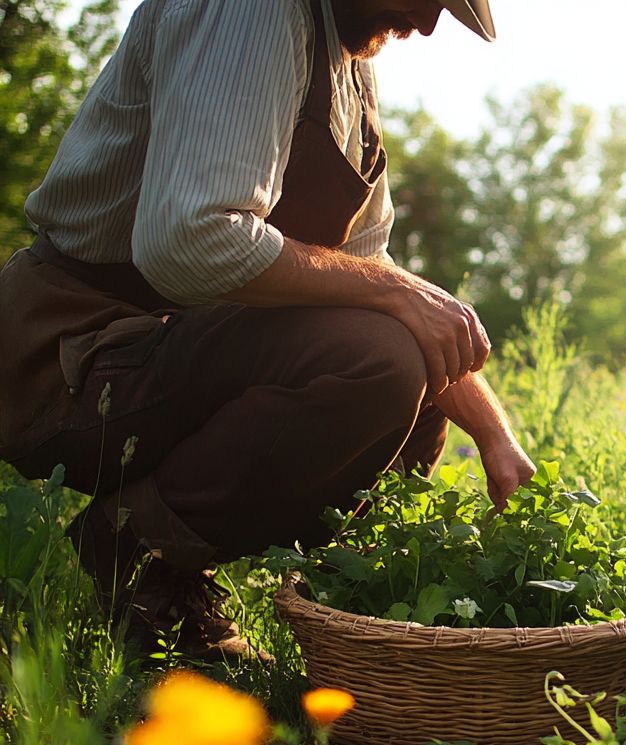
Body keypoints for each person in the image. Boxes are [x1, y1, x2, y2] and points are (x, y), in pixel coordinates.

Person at [0, 0, 536, 660]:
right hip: (74, 358)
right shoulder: (250, 12)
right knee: (383, 361)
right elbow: (189, 241)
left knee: (416, 366)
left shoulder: (348, 65)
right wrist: (398, 295)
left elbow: (369, 269)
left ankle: (355, 604)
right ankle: (135, 554)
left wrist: (493, 437)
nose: (426, 26)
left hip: (178, 351)